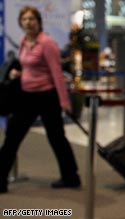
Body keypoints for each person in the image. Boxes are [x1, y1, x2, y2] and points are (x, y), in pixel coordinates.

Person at [0, 6, 80, 194]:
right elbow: (27, 67)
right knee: (12, 138)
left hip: (47, 97)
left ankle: (71, 177)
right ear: (21, 22)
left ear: (39, 22)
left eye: (32, 19)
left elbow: (57, 74)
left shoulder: (47, 43)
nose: (28, 22)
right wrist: (16, 73)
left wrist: (64, 101)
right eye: (25, 19)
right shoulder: (23, 41)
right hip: (26, 97)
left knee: (57, 138)